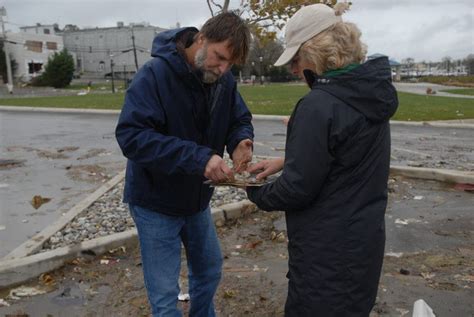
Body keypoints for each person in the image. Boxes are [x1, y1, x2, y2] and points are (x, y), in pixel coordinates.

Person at [246, 3, 398, 317]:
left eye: (296, 59)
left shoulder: (318, 106)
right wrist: (288, 159)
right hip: (362, 245)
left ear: (314, 53)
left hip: (325, 256)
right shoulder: (368, 93)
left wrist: (249, 187)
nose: (291, 69)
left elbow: (296, 190)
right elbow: (345, 155)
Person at [115, 12, 253, 316]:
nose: (223, 68)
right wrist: (200, 158)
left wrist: (241, 141)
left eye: (230, 63)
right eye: (219, 57)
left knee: (209, 271)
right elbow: (132, 137)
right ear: (201, 38)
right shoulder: (154, 75)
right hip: (154, 201)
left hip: (196, 200)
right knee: (165, 297)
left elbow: (238, 117)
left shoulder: (223, 80)